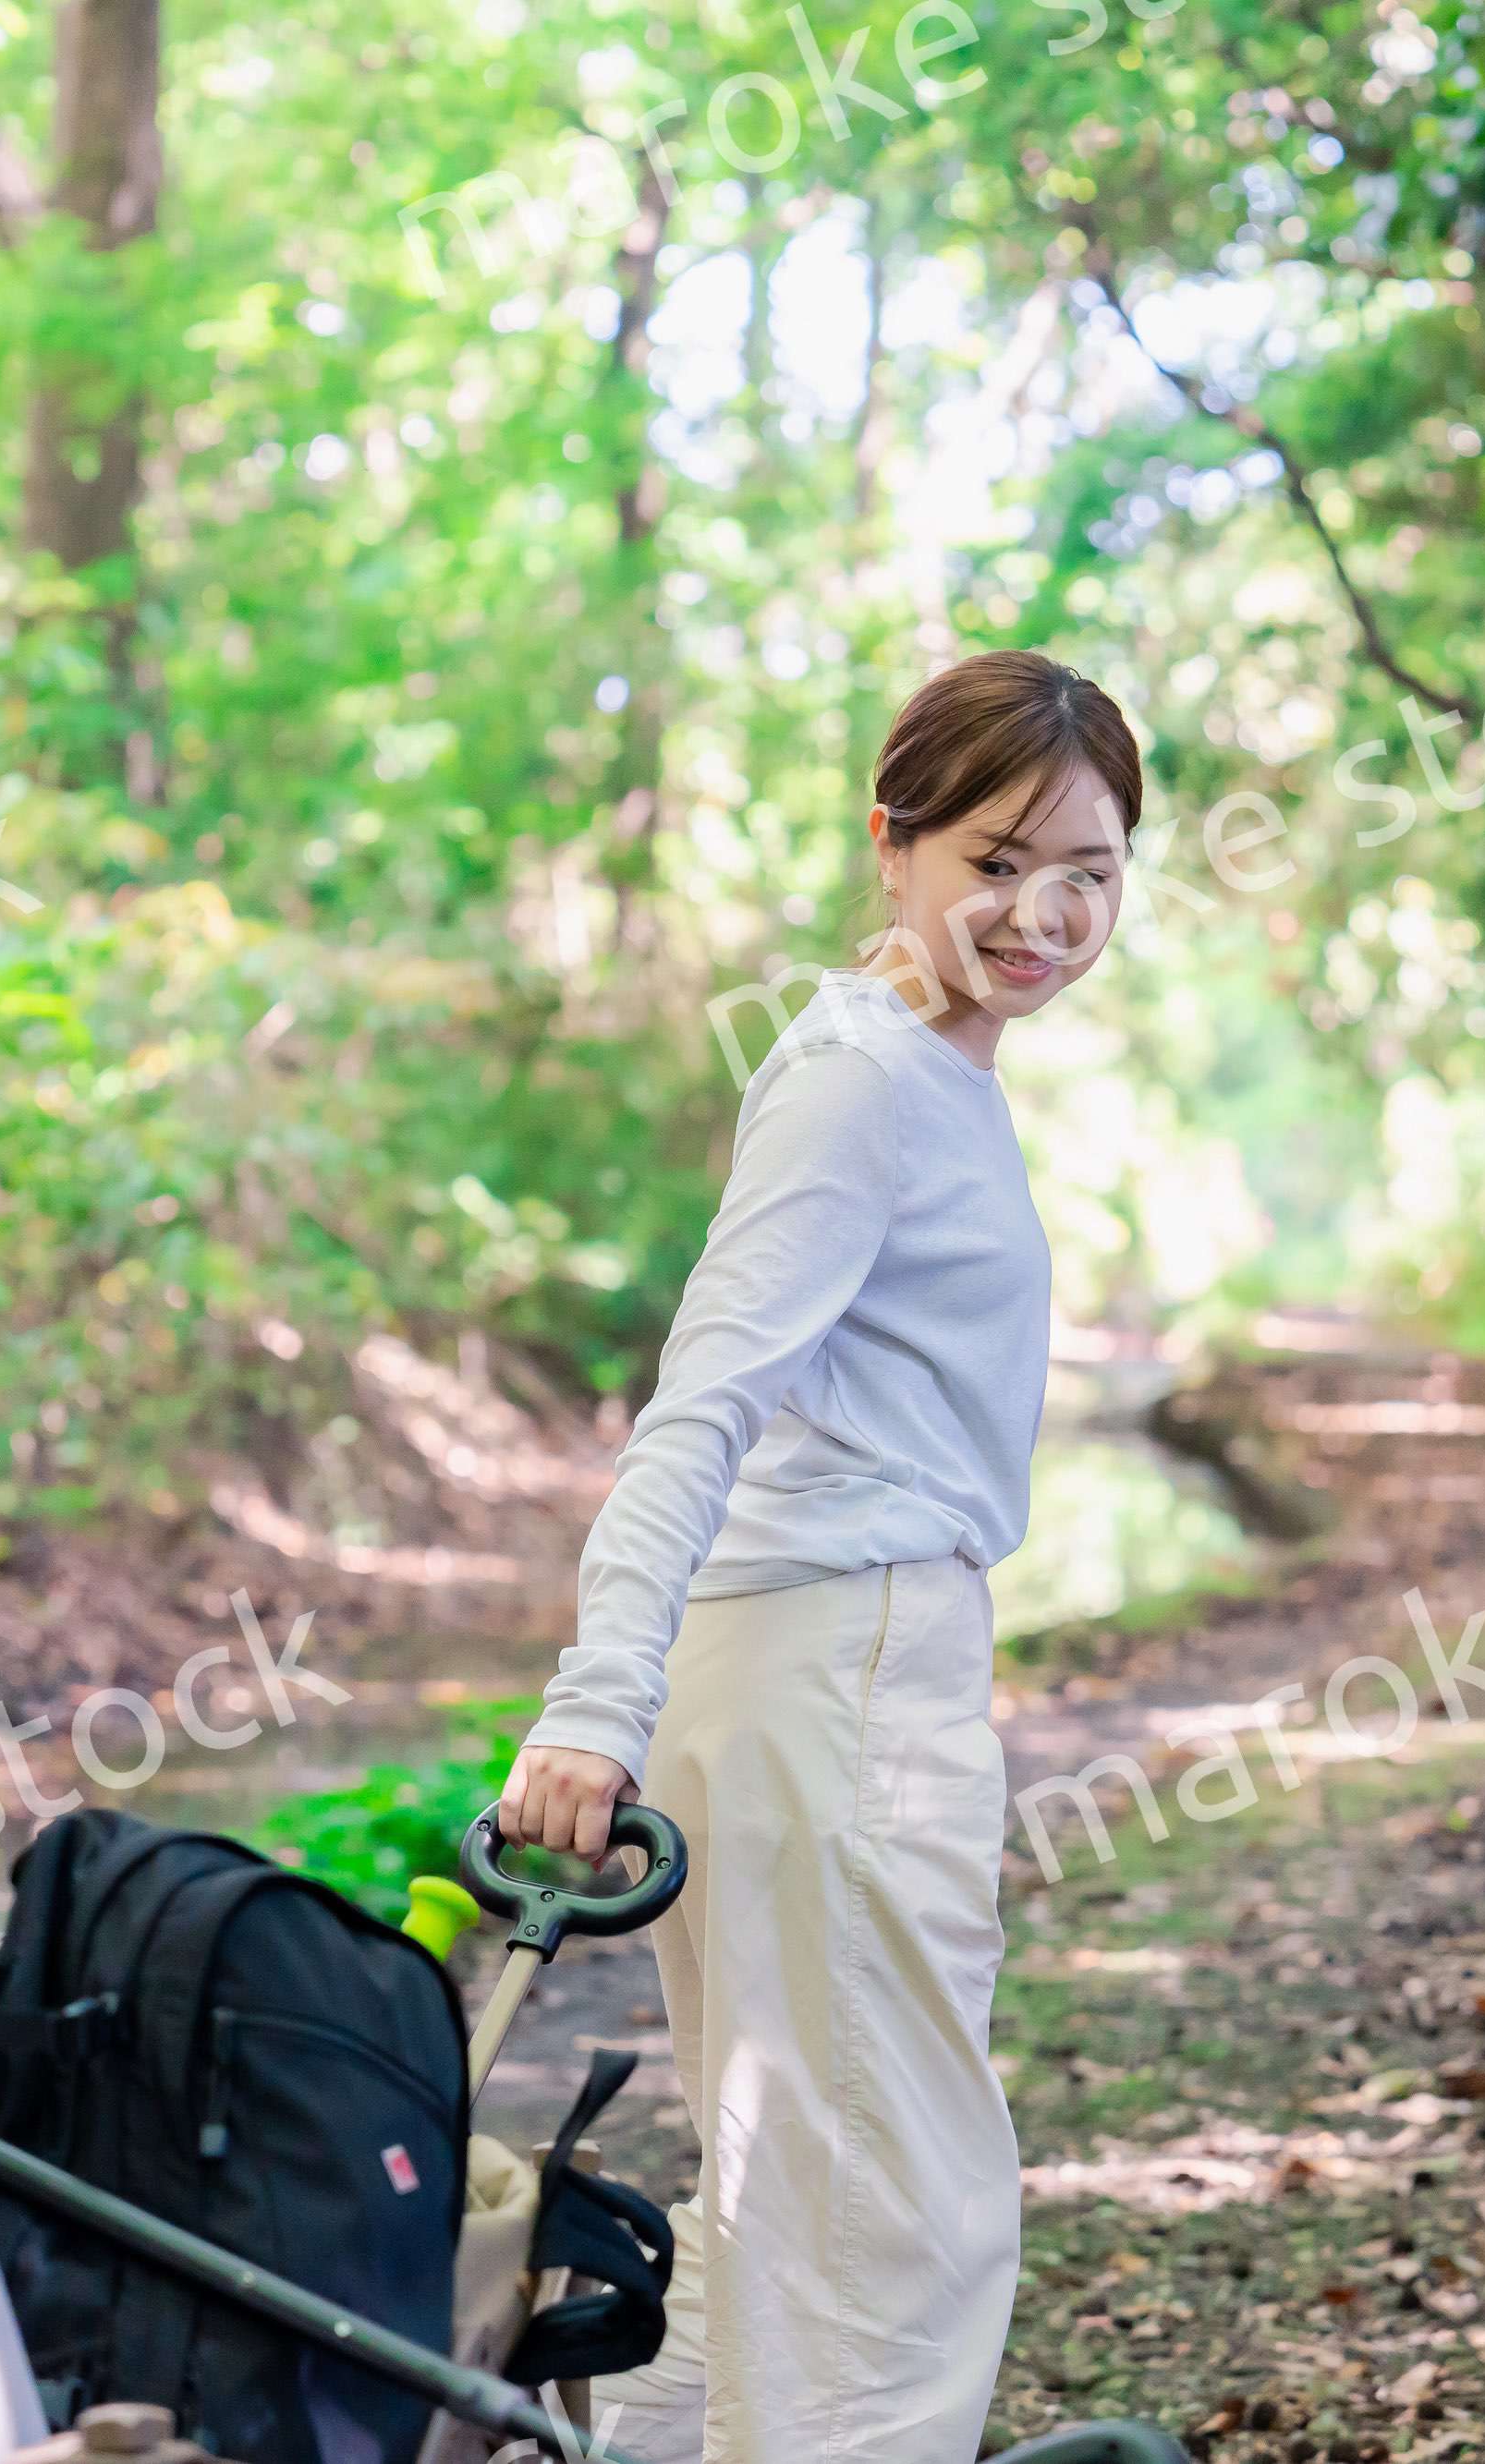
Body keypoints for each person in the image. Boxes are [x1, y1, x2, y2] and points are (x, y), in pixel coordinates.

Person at [495, 649, 1138, 2464]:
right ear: (895, 845)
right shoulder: (858, 1077)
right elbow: (702, 1399)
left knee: (783, 2201)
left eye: (1089, 868)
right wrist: (590, 1699)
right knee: (890, 2225)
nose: (1043, 911)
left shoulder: (928, 1075)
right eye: (996, 860)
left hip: (819, 1662)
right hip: (828, 1666)